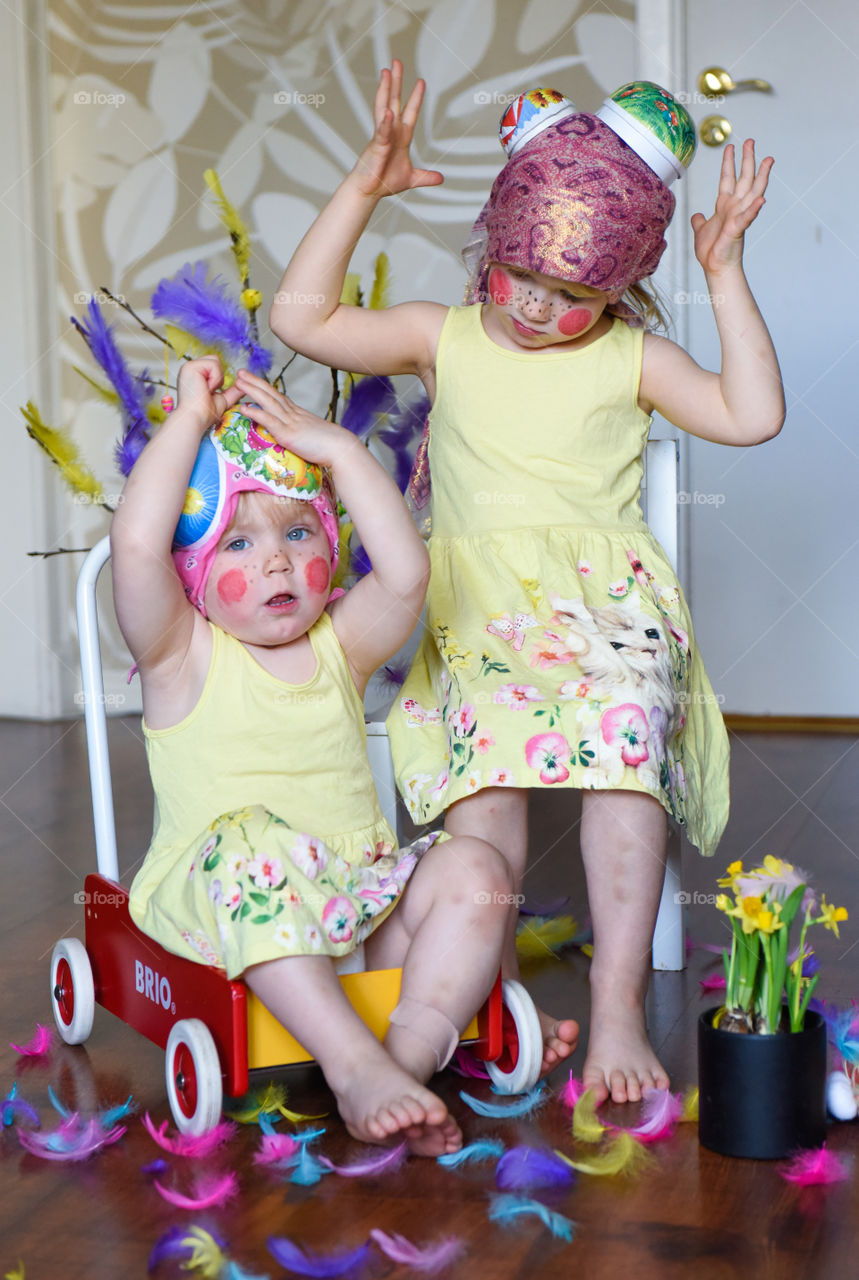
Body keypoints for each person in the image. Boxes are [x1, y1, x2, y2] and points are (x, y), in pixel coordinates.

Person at [268, 64, 785, 1105]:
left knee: (625, 760)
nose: (542, 310)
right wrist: (365, 183)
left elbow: (749, 414)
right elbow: (300, 316)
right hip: (475, 609)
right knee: (484, 783)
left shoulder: (629, 355)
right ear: (489, 249)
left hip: (611, 609)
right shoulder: (440, 335)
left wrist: (723, 271)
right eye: (522, 277)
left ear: (621, 288)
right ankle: (490, 993)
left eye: (577, 296)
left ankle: (617, 1009)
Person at [112, 355, 514, 1154]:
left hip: (354, 902)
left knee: (478, 867)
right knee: (249, 836)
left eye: (300, 534)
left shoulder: (341, 647)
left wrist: (338, 450)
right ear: (190, 576)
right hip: (222, 911)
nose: (276, 562)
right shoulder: (180, 655)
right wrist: (187, 420)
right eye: (239, 544)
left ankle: (400, 1060)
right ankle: (352, 1061)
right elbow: (132, 545)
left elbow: (406, 572)